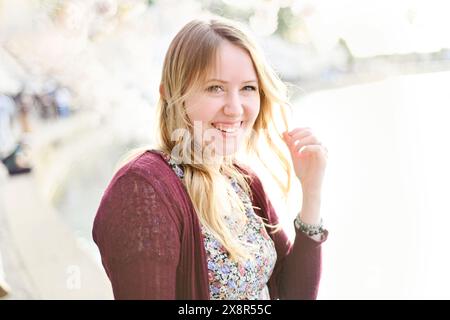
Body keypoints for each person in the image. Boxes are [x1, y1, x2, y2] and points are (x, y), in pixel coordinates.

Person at [93, 17, 329, 300]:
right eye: (215, 88)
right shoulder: (142, 189)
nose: (235, 108)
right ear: (171, 94)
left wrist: (312, 192)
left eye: (248, 88)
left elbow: (294, 294)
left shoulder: (243, 181)